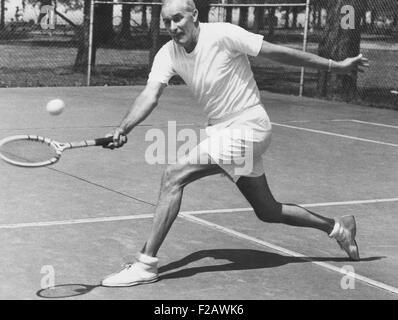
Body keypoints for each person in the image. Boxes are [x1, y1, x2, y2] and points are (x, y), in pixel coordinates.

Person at [101, 0, 369, 287]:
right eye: (166, 21)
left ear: (194, 15)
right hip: (222, 132)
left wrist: (335, 65)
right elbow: (150, 95)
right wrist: (123, 127)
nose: (172, 27)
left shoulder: (224, 34)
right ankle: (339, 228)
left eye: (178, 18)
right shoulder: (168, 53)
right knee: (268, 210)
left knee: (173, 176)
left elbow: (278, 53)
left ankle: (146, 264)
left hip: (248, 126)